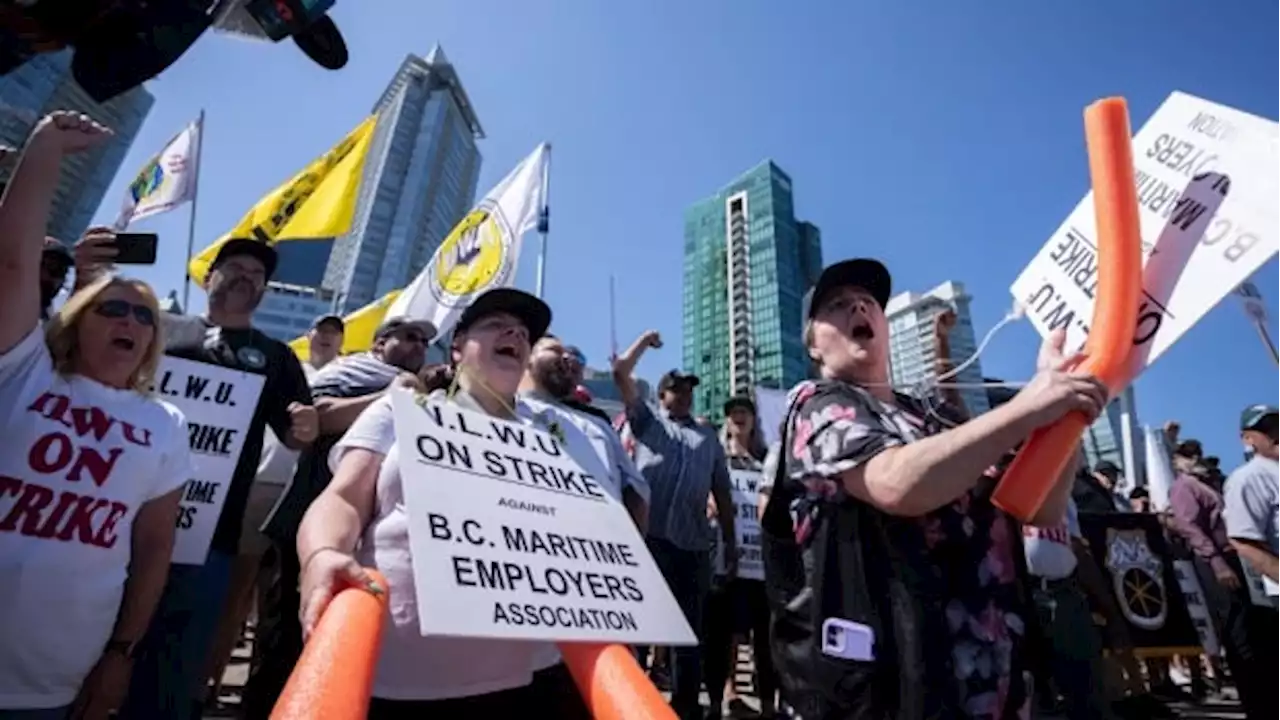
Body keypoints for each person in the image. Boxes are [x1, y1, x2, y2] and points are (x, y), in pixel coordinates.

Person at [763, 258, 1108, 719]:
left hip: (992, 675)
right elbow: (896, 483)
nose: (859, 307)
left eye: (868, 302)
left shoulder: (932, 418)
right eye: (838, 305)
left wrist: (1069, 413)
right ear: (814, 347)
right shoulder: (818, 405)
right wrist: (1030, 406)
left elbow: (1039, 509)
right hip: (895, 683)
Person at [295, 288, 591, 718]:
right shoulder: (402, 409)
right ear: (457, 347)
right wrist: (322, 554)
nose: (514, 332)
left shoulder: (559, 436)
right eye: (495, 324)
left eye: (523, 332)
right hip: (403, 675)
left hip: (535, 675)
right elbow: (343, 498)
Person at [0, 112, 192, 720]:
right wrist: (47, 147)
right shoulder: (21, 367)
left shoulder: (166, 423)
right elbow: (11, 263)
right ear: (77, 318)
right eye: (113, 308)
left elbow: (155, 547)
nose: (131, 322)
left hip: (53, 678)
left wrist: (121, 655)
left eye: (145, 318)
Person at [122, 237, 318, 720]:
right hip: (117, 519)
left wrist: (304, 427)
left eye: (257, 274)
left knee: (168, 669)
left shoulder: (275, 357)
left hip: (211, 535)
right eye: (234, 267)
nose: (245, 276)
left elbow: (296, 434)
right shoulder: (159, 326)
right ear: (208, 277)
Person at [241, 316, 434, 718]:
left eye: (423, 341)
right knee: (287, 641)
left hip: (370, 543)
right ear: (380, 343)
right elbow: (314, 417)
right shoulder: (351, 371)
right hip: (312, 527)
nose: (418, 345)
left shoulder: (429, 396)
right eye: (409, 336)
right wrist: (389, 396)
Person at [613, 331, 736, 720]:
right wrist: (645, 342)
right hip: (651, 540)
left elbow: (723, 491)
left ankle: (684, 708)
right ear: (662, 395)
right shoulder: (648, 423)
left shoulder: (708, 437)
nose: (684, 395)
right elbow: (620, 372)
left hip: (694, 546)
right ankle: (629, 702)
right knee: (639, 625)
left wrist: (730, 543)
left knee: (688, 633)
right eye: (676, 389)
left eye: (688, 390)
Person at [519, 335, 649, 529]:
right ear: (526, 357)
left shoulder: (597, 425)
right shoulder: (493, 409)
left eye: (568, 355)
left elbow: (636, 493)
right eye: (554, 350)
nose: (566, 359)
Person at [703, 396, 778, 720]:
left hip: (761, 566)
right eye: (733, 413)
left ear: (753, 419)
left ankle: (768, 706)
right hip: (725, 562)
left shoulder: (766, 458)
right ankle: (722, 698)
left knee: (765, 639)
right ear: (727, 421)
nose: (738, 417)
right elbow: (705, 492)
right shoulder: (716, 458)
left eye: (744, 412)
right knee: (723, 636)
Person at [1222, 405, 1280, 719]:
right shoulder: (1249, 478)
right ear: (1248, 439)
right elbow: (1243, 540)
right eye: (1266, 428)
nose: (1276, 434)